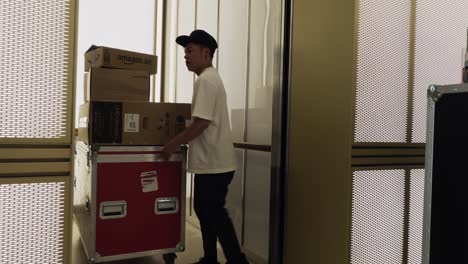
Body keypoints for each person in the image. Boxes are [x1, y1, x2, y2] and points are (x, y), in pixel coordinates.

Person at [162, 30, 249, 264]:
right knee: (205, 211)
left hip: (215, 164)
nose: (186, 57)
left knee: (215, 213)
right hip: (210, 163)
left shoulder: (207, 80)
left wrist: (173, 143)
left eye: (190, 51)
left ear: (206, 53)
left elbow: (202, 123)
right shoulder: (208, 78)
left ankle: (237, 260)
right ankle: (210, 258)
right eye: (184, 52)